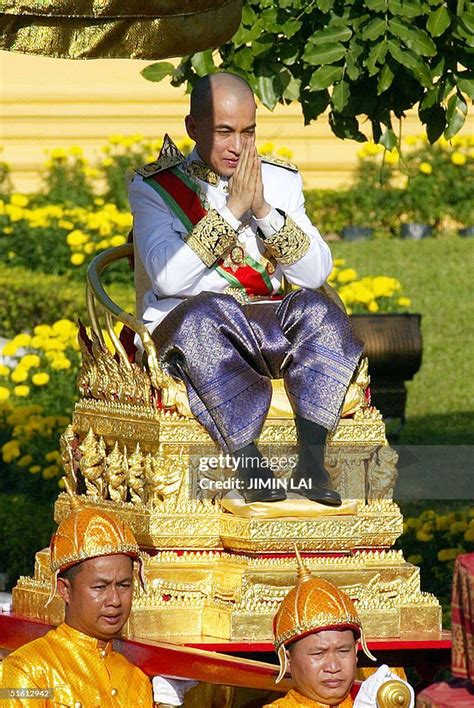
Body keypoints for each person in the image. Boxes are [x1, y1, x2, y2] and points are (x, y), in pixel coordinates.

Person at [129, 72, 363, 506]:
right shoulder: (155, 188)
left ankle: (310, 462)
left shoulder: (279, 181)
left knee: (320, 311)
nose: (238, 146)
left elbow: (315, 272)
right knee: (206, 313)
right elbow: (167, 279)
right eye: (224, 132)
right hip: (194, 333)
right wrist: (233, 210)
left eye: (248, 131)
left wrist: (263, 211)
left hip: (266, 327)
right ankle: (248, 460)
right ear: (193, 128)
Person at [1, 489, 194, 707]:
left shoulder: (137, 681)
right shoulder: (28, 670)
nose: (115, 600)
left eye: (124, 585)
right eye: (100, 587)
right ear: (65, 590)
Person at [264, 550, 414, 707]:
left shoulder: (373, 699)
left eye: (343, 651)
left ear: (356, 651)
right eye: (318, 653)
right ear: (288, 659)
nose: (333, 667)